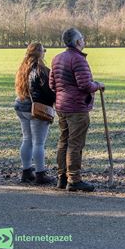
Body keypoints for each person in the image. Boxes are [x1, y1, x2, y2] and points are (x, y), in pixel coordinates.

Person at [49, 28, 104, 192]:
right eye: (82, 37)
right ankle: (74, 179)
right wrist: (98, 85)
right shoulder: (78, 59)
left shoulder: (57, 58)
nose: (84, 40)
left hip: (61, 106)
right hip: (76, 108)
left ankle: (62, 177)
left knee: (63, 141)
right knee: (75, 143)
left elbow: (52, 85)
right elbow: (85, 85)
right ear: (77, 42)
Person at [14, 43, 57, 185]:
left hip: (21, 106)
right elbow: (48, 91)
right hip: (36, 109)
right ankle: (40, 174)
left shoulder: (22, 68)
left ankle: (26, 172)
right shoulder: (41, 70)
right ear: (40, 53)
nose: (45, 53)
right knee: (38, 142)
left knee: (27, 139)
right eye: (43, 50)